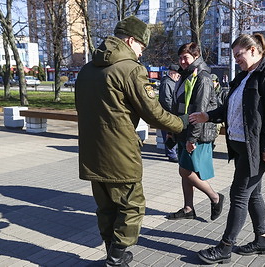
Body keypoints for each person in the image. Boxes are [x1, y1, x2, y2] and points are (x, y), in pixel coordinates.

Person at [75, 16, 188, 267]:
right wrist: (182, 123)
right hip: (120, 153)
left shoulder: (87, 69)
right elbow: (153, 113)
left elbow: (81, 108)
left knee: (105, 208)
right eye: (141, 47)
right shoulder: (131, 70)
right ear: (130, 40)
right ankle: (116, 257)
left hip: (91, 152)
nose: (140, 53)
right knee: (132, 205)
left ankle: (111, 252)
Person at [190, 33, 265, 264]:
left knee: (239, 194)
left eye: (239, 55)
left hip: (256, 149)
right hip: (242, 148)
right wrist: (208, 116)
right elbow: (230, 109)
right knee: (253, 194)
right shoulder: (244, 76)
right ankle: (262, 239)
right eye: (234, 56)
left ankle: (225, 247)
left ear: (254, 50)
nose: (236, 60)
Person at [166, 42, 224, 221]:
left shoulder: (203, 77)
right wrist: (172, 131)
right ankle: (188, 208)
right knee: (185, 169)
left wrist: (192, 138)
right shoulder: (186, 75)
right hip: (183, 130)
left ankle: (215, 197)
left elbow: (200, 110)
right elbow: (179, 106)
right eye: (181, 57)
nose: (183, 61)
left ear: (196, 56)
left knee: (186, 171)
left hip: (196, 133)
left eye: (186, 57)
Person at [158, 64, 180, 162]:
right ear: (171, 73)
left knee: (169, 132)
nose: (178, 77)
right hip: (168, 113)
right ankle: (172, 154)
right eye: (177, 75)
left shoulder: (170, 82)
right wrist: (174, 110)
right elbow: (166, 100)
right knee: (169, 133)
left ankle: (170, 152)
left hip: (169, 113)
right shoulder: (167, 83)